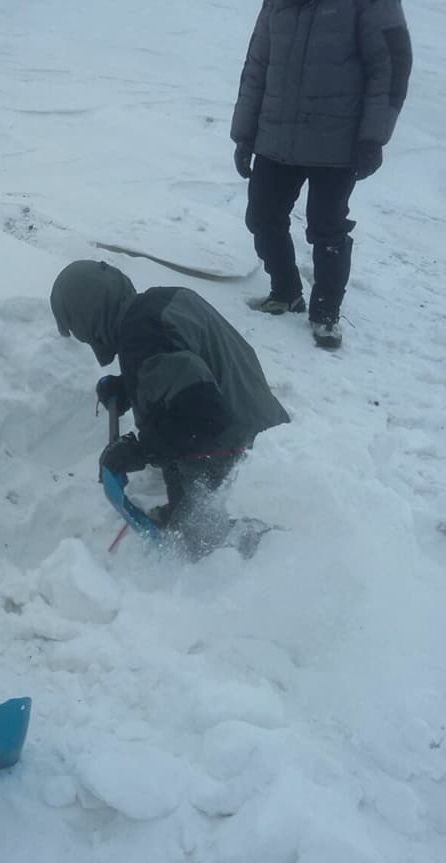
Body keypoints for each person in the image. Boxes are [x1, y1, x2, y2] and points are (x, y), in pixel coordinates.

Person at [50, 260, 290, 554]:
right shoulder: (160, 302)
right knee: (170, 435)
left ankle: (216, 547)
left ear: (87, 319)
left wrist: (140, 450)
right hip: (266, 425)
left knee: (199, 541)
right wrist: (129, 387)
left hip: (235, 451)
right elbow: (181, 366)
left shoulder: (143, 338)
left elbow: (203, 416)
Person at [231, 0, 412, 349]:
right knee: (262, 216)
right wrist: (244, 134)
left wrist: (373, 137)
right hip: (276, 136)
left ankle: (326, 313)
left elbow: (390, 65)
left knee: (327, 228)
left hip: (337, 143)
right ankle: (285, 292)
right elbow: (257, 64)